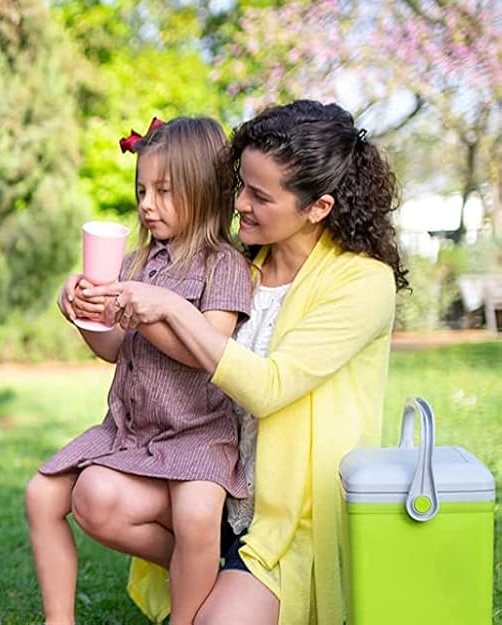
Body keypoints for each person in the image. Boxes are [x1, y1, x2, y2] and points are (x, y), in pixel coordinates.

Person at [85, 100, 405, 625]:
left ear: (318, 207)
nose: (238, 204)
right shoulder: (238, 263)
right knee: (96, 499)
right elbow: (142, 350)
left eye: (260, 195)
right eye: (241, 186)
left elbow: (268, 387)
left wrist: (170, 308)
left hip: (286, 518)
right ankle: (202, 564)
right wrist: (93, 312)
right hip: (210, 479)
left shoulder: (363, 282)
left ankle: (221, 583)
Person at [25, 116, 254, 625]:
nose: (148, 204)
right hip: (130, 433)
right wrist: (83, 314)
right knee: (41, 494)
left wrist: (147, 314)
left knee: (196, 517)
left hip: (198, 435)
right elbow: (112, 349)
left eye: (164, 191)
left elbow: (208, 351)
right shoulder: (133, 263)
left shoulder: (223, 266)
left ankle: (191, 602)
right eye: (142, 190)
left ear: (205, 190)